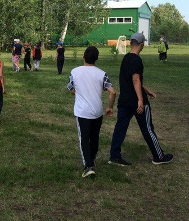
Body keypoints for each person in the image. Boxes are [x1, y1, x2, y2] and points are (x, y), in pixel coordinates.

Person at [109, 33, 173, 166]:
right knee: (147, 128)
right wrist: (140, 100)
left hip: (124, 101)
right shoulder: (137, 60)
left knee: (120, 128)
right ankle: (159, 157)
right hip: (136, 102)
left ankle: (114, 156)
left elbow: (133, 80)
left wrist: (147, 90)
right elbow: (135, 79)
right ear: (142, 44)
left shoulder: (126, 58)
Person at [67, 46, 116, 178]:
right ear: (97, 58)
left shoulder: (74, 72)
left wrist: (80, 93)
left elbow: (71, 89)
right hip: (97, 111)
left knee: (84, 138)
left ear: (83, 56)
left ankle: (88, 166)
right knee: (94, 137)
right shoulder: (102, 74)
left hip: (82, 112)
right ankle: (92, 160)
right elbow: (112, 92)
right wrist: (110, 107)